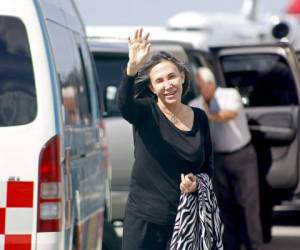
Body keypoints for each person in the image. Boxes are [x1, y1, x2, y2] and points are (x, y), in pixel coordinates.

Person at [117, 28, 214, 250]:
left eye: (171, 77)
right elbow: (123, 105)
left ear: (182, 77)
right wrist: (132, 68)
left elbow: (208, 167)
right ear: (152, 88)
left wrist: (196, 183)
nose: (167, 84)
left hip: (185, 219)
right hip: (144, 219)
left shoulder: (199, 117)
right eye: (159, 81)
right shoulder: (145, 112)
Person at [189, 67, 263, 250]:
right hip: (219, 159)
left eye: (204, 85)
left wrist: (209, 116)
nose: (202, 89)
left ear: (211, 83)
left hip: (241, 155)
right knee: (225, 205)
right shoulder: (196, 103)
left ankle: (254, 244)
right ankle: (231, 245)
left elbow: (230, 115)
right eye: (199, 86)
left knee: (248, 205)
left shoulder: (230, 95)